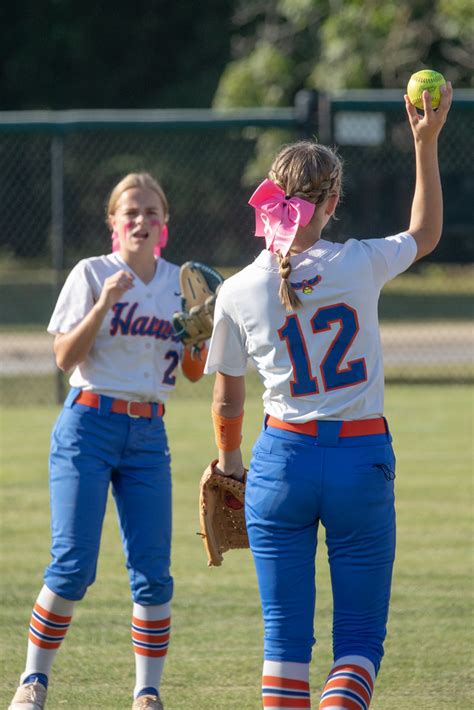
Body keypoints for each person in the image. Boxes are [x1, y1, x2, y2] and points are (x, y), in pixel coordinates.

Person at [204, 84, 452, 709]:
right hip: (359, 462)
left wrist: (231, 464)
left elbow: (228, 404)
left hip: (280, 460)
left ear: (269, 198)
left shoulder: (235, 291)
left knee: (284, 645)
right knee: (359, 642)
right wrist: (426, 143)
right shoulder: (360, 262)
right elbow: (425, 233)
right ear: (333, 201)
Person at [9, 172, 206, 710]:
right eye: (132, 213)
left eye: (152, 213)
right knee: (73, 566)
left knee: (153, 572)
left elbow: (191, 373)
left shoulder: (180, 283)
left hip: (148, 432)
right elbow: (64, 357)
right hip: (88, 425)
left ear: (165, 224)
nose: (142, 221)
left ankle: (147, 693)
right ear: (113, 224)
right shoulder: (93, 273)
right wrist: (103, 304)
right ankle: (32, 682)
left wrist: (199, 336)